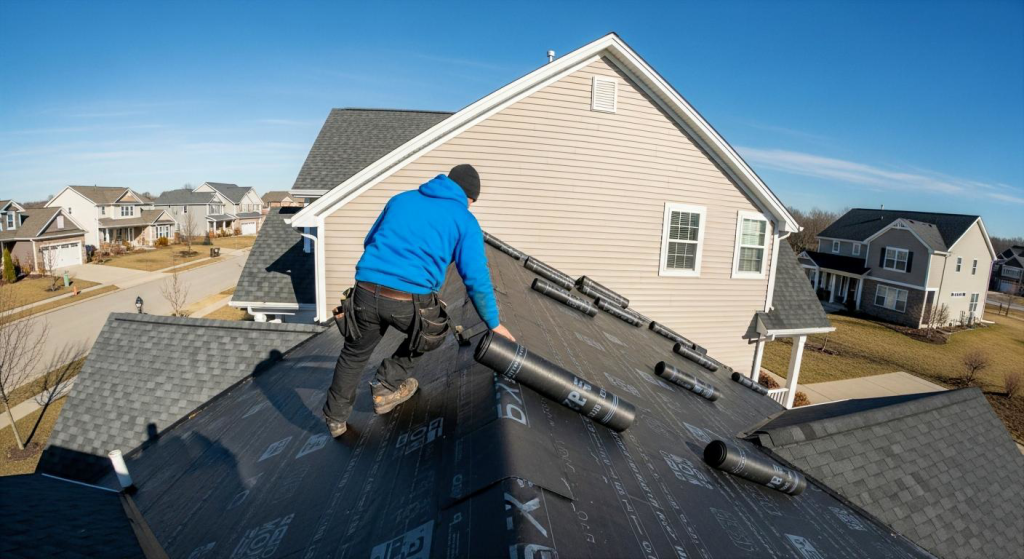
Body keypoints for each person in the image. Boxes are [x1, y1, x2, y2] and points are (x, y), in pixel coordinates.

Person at [322, 164, 514, 437]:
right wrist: (493, 324)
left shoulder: (401, 199)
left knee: (353, 354)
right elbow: (476, 278)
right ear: (469, 197)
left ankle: (335, 420)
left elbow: (370, 241)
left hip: (364, 291)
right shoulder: (464, 219)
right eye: (472, 202)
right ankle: (386, 386)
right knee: (433, 330)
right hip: (408, 300)